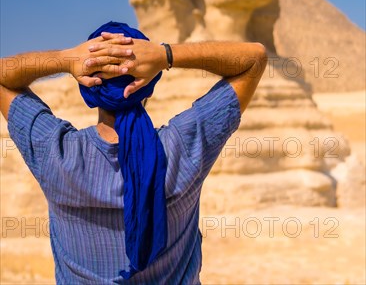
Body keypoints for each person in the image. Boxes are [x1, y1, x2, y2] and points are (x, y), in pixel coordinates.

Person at [0, 25, 268, 284]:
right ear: (148, 86)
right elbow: (254, 59)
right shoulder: (182, 146)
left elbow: (3, 77)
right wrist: (165, 55)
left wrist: (66, 59)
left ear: (88, 91)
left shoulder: (55, 152)